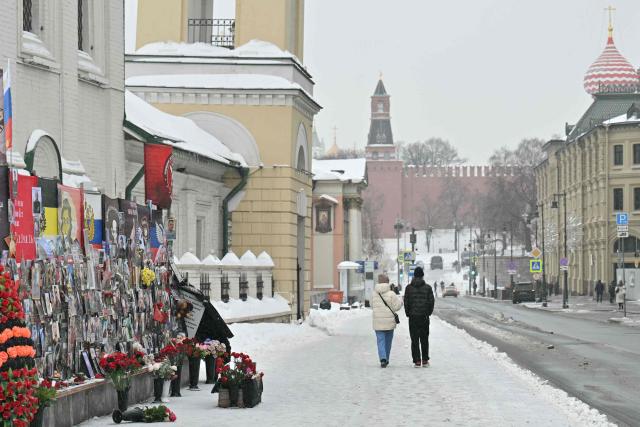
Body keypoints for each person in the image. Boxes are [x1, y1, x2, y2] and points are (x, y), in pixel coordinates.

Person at [404, 267, 435, 367]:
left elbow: (406, 302)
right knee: (424, 339)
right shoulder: (428, 288)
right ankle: (425, 360)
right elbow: (431, 302)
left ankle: (417, 360)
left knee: (414, 339)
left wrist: (408, 313)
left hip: (413, 317)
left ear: (414, 276)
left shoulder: (408, 288)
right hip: (424, 317)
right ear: (422, 275)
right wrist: (428, 313)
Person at [372, 274, 403, 368]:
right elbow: (396, 307)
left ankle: (383, 358)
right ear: (387, 282)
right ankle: (386, 359)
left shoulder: (374, 293)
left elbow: (371, 304)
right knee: (388, 342)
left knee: (380, 341)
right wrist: (401, 302)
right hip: (389, 322)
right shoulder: (391, 294)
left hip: (378, 321)